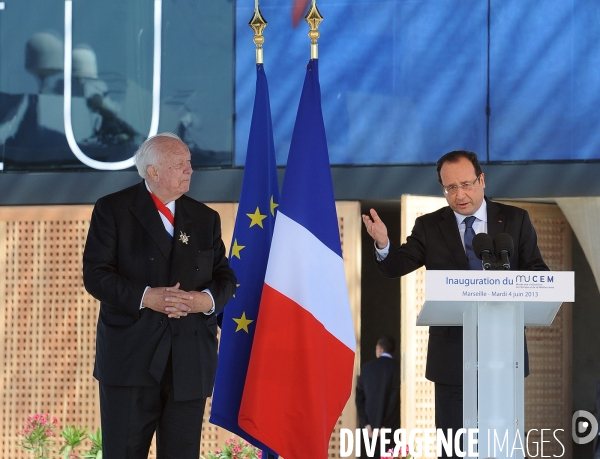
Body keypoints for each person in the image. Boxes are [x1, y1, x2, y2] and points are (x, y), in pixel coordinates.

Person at [362, 150, 548, 459]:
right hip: (452, 358)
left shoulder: (515, 220)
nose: (460, 194)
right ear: (443, 189)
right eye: (450, 188)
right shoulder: (429, 226)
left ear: (482, 180)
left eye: (466, 184)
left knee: (501, 448)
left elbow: (538, 272)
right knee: (455, 449)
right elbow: (396, 266)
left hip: (504, 355)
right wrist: (383, 243)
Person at [83, 132, 236, 459]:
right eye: (180, 164)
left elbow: (225, 278)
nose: (190, 170)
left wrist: (203, 302)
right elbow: (96, 276)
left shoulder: (206, 218)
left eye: (190, 162)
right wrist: (147, 296)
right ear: (153, 172)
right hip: (130, 362)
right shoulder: (113, 210)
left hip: (189, 361)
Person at [355, 335, 401, 458]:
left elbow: (359, 399)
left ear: (379, 348)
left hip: (369, 430)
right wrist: (384, 424)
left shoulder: (367, 368)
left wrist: (366, 424)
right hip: (391, 428)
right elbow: (394, 400)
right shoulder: (398, 369)